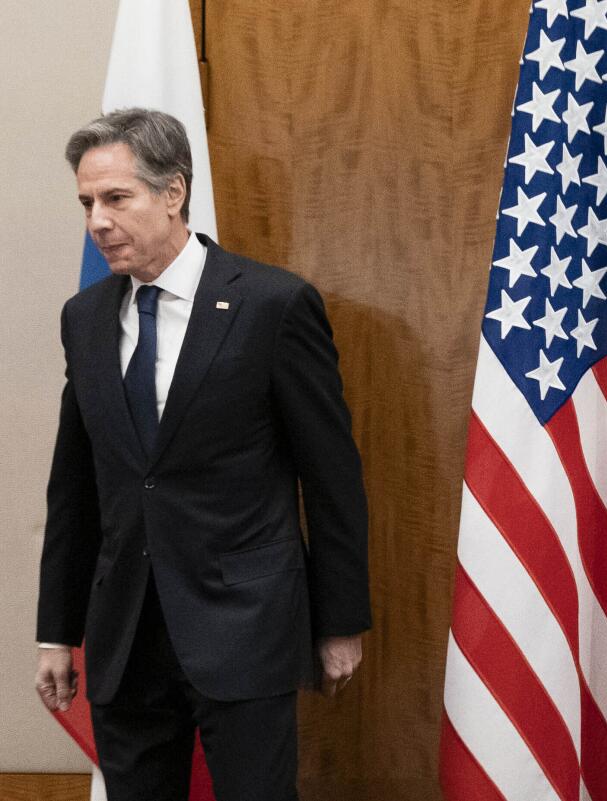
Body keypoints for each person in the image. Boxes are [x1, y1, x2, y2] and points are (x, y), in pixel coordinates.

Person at [34, 108, 371, 801]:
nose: (97, 220)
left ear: (173, 192)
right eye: (87, 203)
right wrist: (55, 632)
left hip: (243, 626)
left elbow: (331, 477)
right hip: (125, 635)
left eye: (115, 198)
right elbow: (75, 484)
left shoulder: (272, 306)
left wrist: (339, 622)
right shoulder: (87, 317)